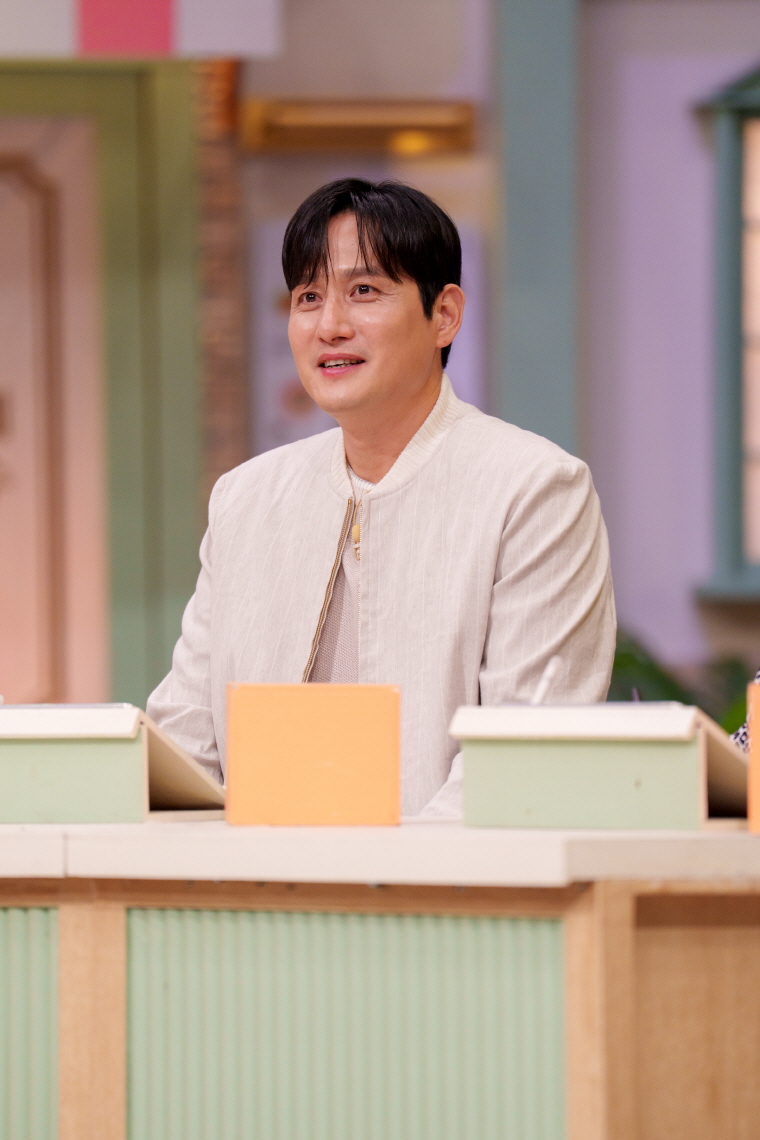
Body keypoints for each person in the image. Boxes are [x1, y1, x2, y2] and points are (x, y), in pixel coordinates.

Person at [147, 178, 616, 818]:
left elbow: (522, 761)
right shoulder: (245, 499)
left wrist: (386, 876)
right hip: (252, 874)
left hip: (445, 879)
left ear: (444, 315)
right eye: (308, 297)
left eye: (364, 291)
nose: (330, 326)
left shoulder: (533, 489)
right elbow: (184, 745)